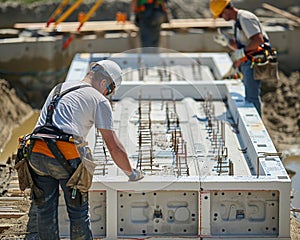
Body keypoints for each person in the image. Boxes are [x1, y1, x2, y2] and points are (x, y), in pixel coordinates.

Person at [27, 59, 143, 239]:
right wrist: (131, 173)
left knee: (45, 213)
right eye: (109, 90)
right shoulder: (99, 100)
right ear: (104, 83)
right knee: (78, 214)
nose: (108, 95)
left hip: (36, 154)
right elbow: (114, 147)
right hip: (66, 158)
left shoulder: (59, 88)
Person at [210, 0, 270, 116]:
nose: (222, 18)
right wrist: (227, 42)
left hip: (256, 59)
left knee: (251, 96)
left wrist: (241, 53)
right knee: (248, 92)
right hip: (249, 59)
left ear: (227, 9)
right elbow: (242, 45)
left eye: (221, 15)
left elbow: (258, 40)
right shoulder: (237, 21)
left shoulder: (245, 18)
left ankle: (256, 127)